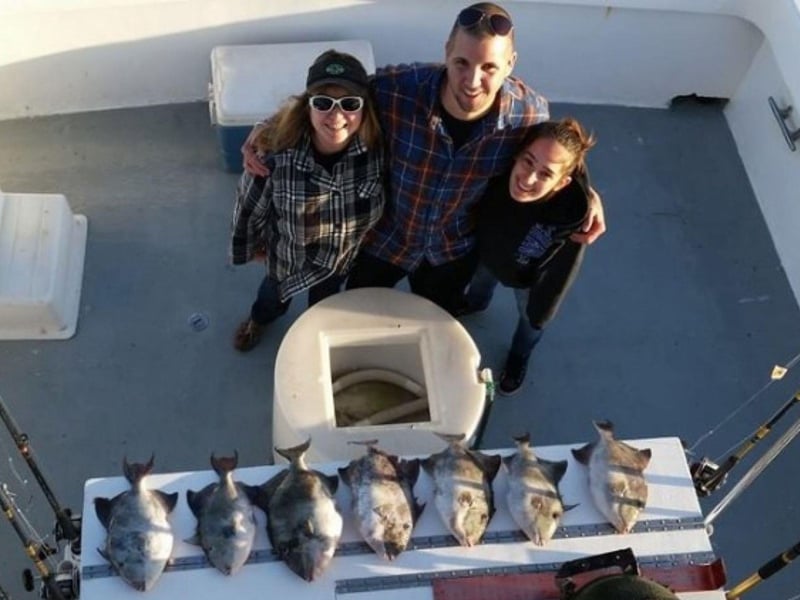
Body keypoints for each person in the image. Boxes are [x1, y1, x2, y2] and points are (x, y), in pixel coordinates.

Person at [242, 3, 606, 315]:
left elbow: (559, 149)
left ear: (511, 64)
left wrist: (587, 193)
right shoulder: (395, 89)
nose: (472, 80)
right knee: (357, 315)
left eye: (490, 68)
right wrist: (267, 129)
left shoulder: (529, 114)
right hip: (385, 240)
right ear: (446, 50)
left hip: (451, 252)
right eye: (461, 62)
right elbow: (332, 100)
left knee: (435, 324)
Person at [230, 50, 384, 352]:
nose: (337, 116)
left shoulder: (379, 150)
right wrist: (250, 247)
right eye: (323, 103)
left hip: (338, 261)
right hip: (286, 259)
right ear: (307, 107)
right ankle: (258, 320)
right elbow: (248, 208)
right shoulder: (272, 156)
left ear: (365, 109)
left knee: (324, 307)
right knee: (271, 299)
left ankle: (316, 336)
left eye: (350, 104)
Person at [462, 118, 596, 395]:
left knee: (530, 322)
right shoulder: (498, 173)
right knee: (480, 283)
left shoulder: (572, 214)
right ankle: (475, 304)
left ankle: (519, 356)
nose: (529, 178)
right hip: (490, 255)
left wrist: (544, 309)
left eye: (547, 174)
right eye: (528, 162)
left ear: (562, 183)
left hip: (531, 278)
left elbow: (565, 266)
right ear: (516, 156)